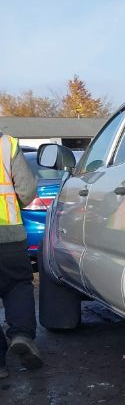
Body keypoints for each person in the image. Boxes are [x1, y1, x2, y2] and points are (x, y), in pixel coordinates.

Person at [0, 131, 42, 378]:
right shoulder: (7, 145)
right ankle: (22, 335)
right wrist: (15, 205)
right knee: (17, 286)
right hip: (10, 236)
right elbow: (26, 189)